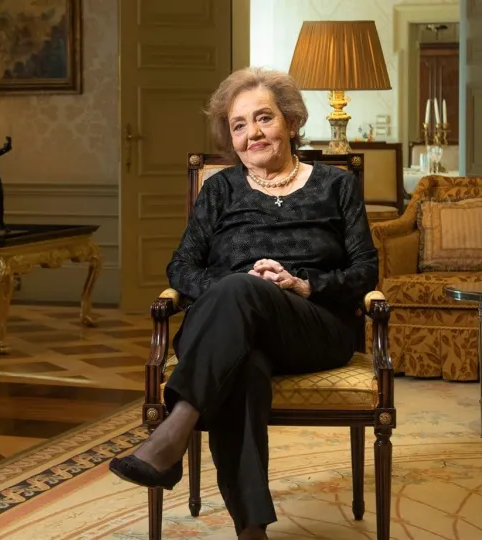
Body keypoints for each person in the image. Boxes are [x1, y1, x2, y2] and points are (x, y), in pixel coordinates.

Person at [108, 67, 378, 539]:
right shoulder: (221, 189)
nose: (252, 133)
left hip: (311, 328)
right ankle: (252, 530)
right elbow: (181, 267)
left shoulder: (336, 186)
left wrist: (302, 283)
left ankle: (176, 426)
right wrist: (237, 283)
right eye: (239, 125)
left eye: (264, 118)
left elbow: (365, 271)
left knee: (241, 291)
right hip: (228, 331)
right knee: (244, 366)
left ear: (291, 121)